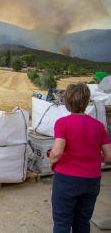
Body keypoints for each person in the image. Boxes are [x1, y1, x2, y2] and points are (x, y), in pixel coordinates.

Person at [49, 82, 111, 232]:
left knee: (62, 221)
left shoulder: (63, 123)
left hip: (67, 179)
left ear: (67, 101)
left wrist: (52, 159)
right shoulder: (98, 125)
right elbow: (108, 156)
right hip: (92, 180)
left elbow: (57, 151)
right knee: (83, 220)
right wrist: (94, 160)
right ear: (87, 101)